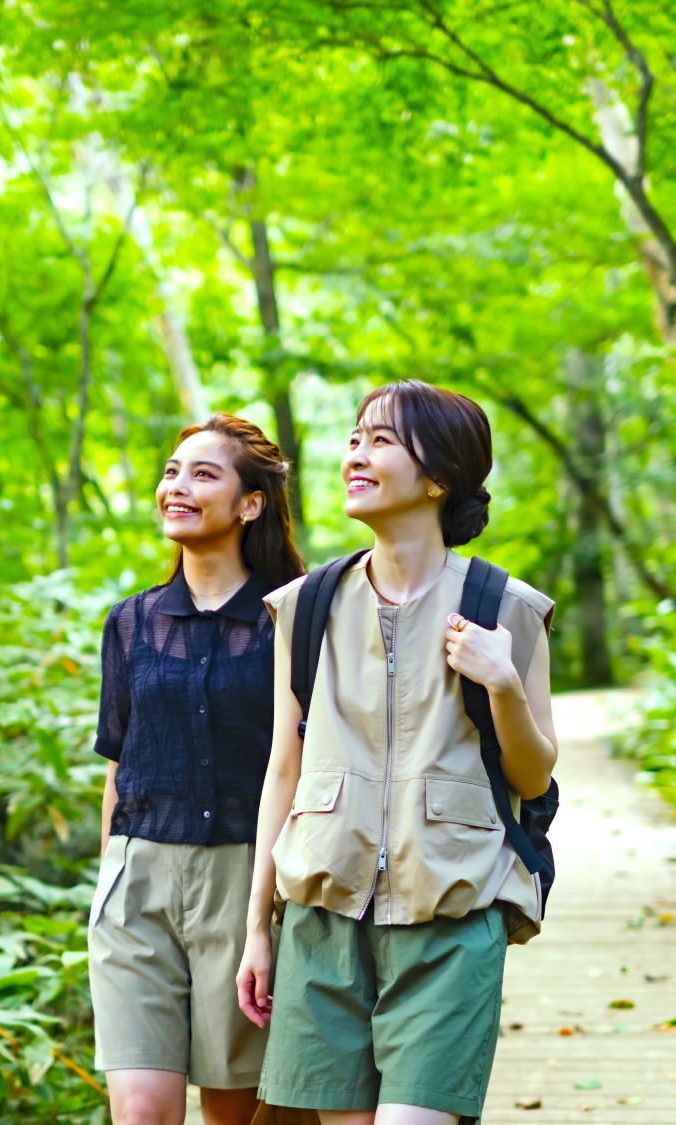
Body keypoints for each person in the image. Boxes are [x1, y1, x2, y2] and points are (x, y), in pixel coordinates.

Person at [237, 381, 559, 1125]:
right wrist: (258, 925)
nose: (356, 453)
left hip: (452, 912)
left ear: (439, 477)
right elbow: (284, 766)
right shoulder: (306, 604)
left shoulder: (508, 607)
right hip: (323, 921)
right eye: (354, 437)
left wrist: (503, 682)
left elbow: (532, 773)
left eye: (380, 440)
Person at [89, 413, 305, 1125]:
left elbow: (300, 763)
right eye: (172, 470)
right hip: (137, 881)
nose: (176, 486)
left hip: (244, 880)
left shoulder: (290, 622)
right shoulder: (130, 622)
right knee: (142, 1111)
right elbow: (119, 765)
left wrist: (269, 913)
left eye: (202, 473)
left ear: (251, 503)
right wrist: (107, 885)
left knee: (230, 1112)